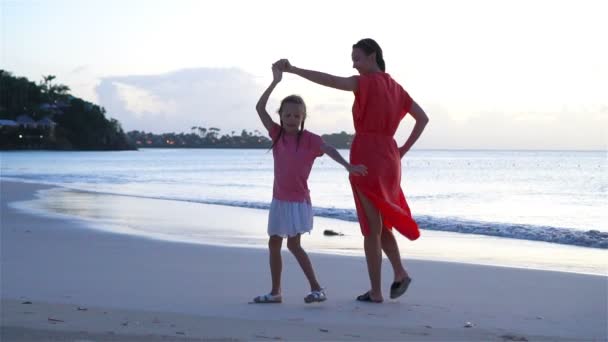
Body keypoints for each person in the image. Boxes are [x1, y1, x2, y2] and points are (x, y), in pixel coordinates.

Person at [276, 38, 429, 303]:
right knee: (380, 221)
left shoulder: (366, 83)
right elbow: (423, 118)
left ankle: (377, 291)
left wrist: (295, 70)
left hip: (368, 156)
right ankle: (399, 272)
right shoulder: (397, 88)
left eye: (357, 58)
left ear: (372, 57)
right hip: (390, 157)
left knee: (371, 228)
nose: (354, 65)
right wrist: (401, 150)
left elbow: (331, 81)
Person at [252, 63, 368, 304]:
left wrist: (348, 166)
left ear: (303, 117)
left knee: (294, 245)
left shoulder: (309, 140)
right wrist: (275, 82)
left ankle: (317, 288)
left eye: (296, 115)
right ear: (281, 116)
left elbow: (329, 149)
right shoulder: (277, 135)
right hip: (279, 201)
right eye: (287, 115)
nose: (291, 119)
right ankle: (276, 292)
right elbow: (259, 108)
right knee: (274, 243)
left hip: (298, 203)